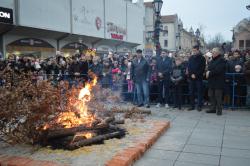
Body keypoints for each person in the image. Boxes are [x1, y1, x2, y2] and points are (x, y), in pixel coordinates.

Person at [206, 48, 226, 115]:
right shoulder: (212, 60)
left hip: (218, 81)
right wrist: (208, 71)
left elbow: (218, 70)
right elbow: (209, 68)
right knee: (211, 96)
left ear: (218, 53)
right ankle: (213, 109)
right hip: (211, 81)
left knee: (218, 97)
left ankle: (219, 110)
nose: (212, 53)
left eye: (214, 52)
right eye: (212, 52)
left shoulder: (222, 60)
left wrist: (210, 72)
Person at [187, 45, 206, 111]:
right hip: (191, 78)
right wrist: (191, 74)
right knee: (191, 92)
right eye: (193, 50)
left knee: (199, 92)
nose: (194, 52)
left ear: (198, 50)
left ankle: (199, 106)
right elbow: (189, 67)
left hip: (199, 78)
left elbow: (202, 68)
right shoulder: (190, 58)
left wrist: (196, 75)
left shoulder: (202, 58)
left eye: (195, 50)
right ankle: (192, 106)